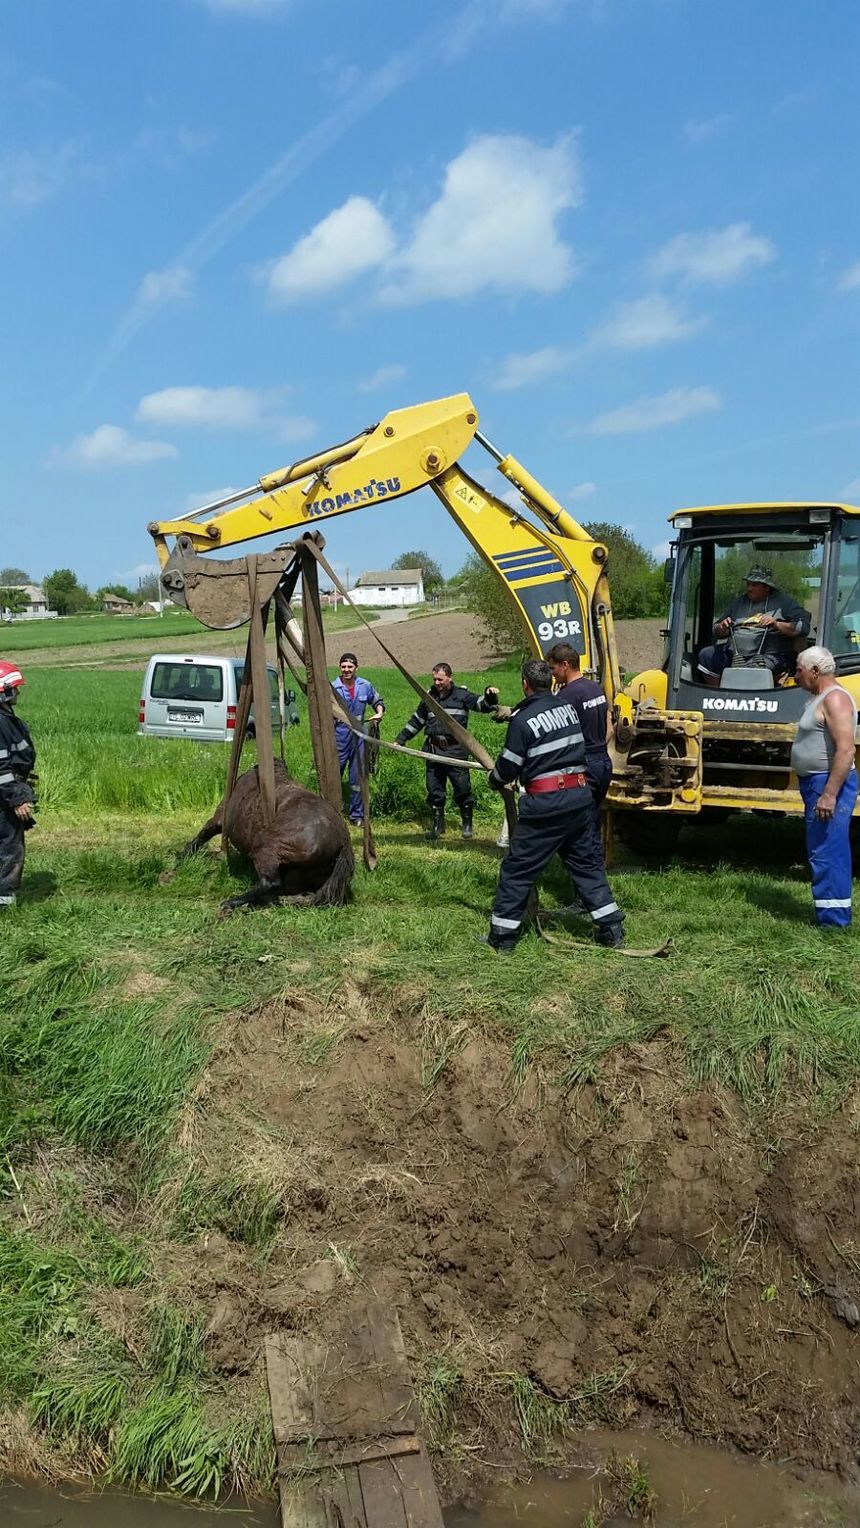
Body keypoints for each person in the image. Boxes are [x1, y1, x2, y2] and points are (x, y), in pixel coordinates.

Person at [483, 658, 624, 952]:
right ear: (551, 682)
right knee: (587, 865)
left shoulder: (523, 721)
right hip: (579, 799)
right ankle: (611, 927)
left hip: (547, 805)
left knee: (518, 869)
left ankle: (502, 937)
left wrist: (494, 780)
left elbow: (508, 767)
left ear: (525, 684)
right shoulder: (567, 709)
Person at [790, 646, 857, 928]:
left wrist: (829, 794)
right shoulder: (820, 698)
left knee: (828, 850)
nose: (795, 676)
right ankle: (830, 916)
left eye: (799, 670)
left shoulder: (836, 700)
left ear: (816, 671)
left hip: (827, 783)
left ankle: (834, 922)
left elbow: (846, 750)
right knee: (822, 848)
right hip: (816, 782)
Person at [395, 662, 500, 839]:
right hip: (433, 750)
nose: (437, 682)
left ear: (450, 678)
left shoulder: (462, 695)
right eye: (434, 679)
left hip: (455, 751)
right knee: (434, 789)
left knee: (462, 788)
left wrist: (489, 695)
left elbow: (482, 706)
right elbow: (416, 721)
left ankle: (467, 824)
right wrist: (401, 739)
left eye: (440, 679)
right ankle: (438, 826)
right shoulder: (429, 697)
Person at [697, 566, 810, 686]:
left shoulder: (785, 603)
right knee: (706, 655)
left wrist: (777, 624)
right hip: (735, 654)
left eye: (755, 585)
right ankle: (720, 696)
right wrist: (722, 628)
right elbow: (716, 631)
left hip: (771, 655)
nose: (749, 588)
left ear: (767, 587)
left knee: (754, 666)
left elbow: (803, 628)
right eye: (748, 584)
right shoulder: (738, 603)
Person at [548, 642, 612, 844]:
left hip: (585, 764)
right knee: (593, 817)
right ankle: (595, 861)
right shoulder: (596, 688)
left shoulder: (567, 696)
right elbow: (609, 728)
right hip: (603, 762)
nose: (552, 674)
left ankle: (586, 867)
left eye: (553, 668)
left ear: (565, 665)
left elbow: (556, 733)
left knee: (579, 820)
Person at [331, 653, 385, 826]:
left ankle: (357, 815)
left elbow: (378, 701)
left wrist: (379, 713)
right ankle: (332, 813)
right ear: (340, 667)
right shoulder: (333, 687)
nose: (346, 670)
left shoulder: (364, 685)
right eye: (343, 666)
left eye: (350, 667)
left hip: (360, 735)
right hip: (339, 734)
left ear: (356, 667)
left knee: (358, 777)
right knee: (334, 774)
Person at [0, 662, 37, 909]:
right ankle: (4, 903)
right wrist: (18, 798)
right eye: (15, 688)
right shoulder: (1, 723)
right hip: (5, 797)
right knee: (9, 847)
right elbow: (1, 768)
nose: (18, 693)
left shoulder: (5, 719)